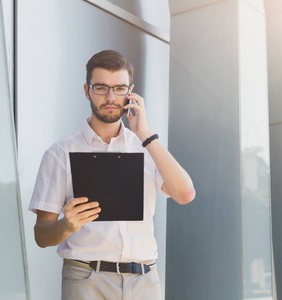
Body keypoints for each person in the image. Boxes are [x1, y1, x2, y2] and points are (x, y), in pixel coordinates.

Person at [29, 49, 195, 300]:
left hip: (145, 281)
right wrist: (66, 225)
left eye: (119, 88)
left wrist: (145, 134)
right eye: (101, 88)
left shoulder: (146, 145)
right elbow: (41, 235)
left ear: (130, 92)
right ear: (87, 91)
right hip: (86, 280)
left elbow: (184, 194)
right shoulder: (60, 153)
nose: (110, 97)